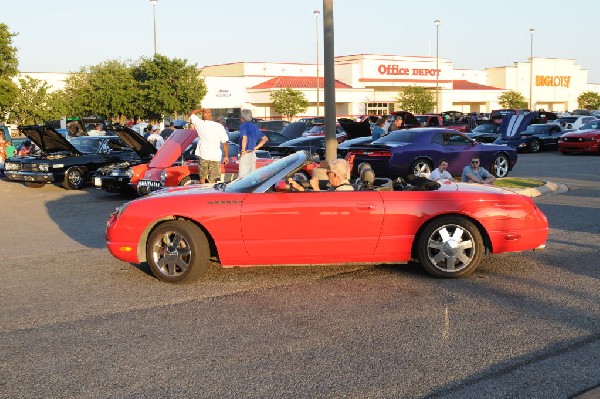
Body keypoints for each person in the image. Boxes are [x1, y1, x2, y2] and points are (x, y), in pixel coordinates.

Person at [189, 108, 229, 183]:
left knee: (202, 177)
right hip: (215, 156)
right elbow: (224, 143)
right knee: (213, 179)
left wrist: (202, 109)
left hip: (203, 155)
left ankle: (202, 192)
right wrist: (226, 156)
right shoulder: (219, 126)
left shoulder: (200, 124)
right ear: (211, 115)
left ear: (202, 116)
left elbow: (191, 113)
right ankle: (213, 193)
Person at [289, 158, 354, 192]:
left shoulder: (344, 191)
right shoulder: (335, 188)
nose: (326, 174)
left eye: (328, 172)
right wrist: (299, 188)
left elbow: (325, 206)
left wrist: (316, 187)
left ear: (335, 175)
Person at [238, 109, 268, 178]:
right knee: (251, 176)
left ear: (243, 117)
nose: (240, 118)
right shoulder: (254, 126)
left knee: (242, 177)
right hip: (252, 153)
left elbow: (244, 138)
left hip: (246, 153)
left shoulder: (243, 125)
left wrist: (243, 151)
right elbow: (265, 139)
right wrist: (256, 147)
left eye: (240, 117)